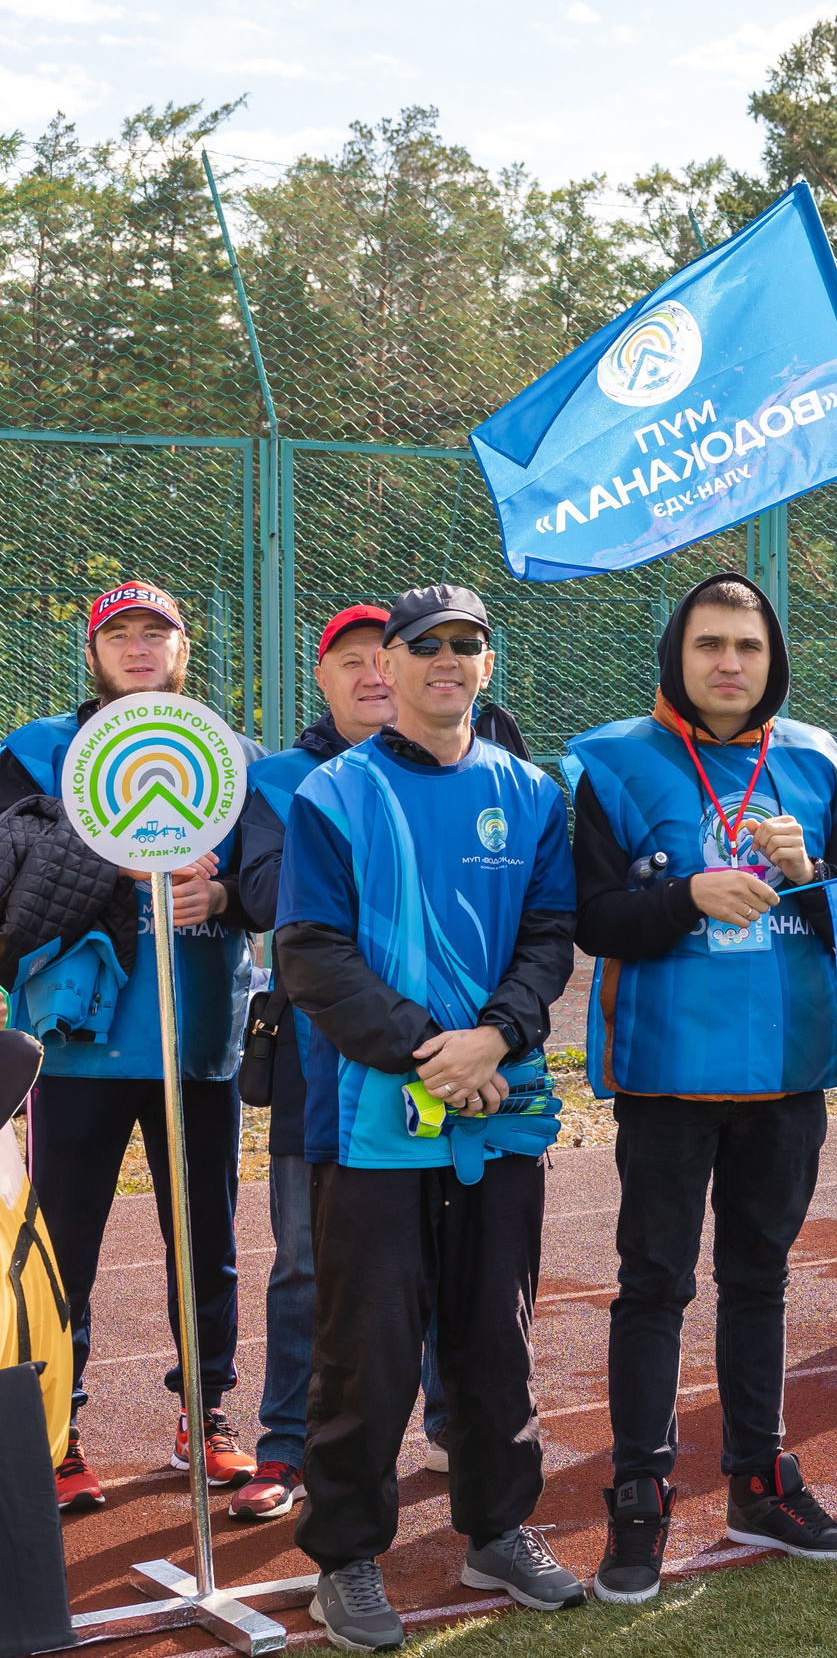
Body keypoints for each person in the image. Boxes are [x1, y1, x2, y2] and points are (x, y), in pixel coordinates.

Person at [278, 585, 584, 1647]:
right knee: (365, 1346)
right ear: (389, 669)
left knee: (495, 1336)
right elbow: (310, 952)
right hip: (370, 1119)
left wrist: (495, 1038)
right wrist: (431, 1053)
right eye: (425, 646)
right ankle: (348, 1558)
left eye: (467, 645)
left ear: (486, 666)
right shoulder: (333, 792)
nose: (446, 661)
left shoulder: (532, 792)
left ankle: (498, 1530)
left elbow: (551, 935)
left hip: (499, 1107)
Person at [567, 574, 837, 1602]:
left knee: (760, 1281)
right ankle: (640, 1493)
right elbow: (595, 920)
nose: (729, 663)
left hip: (789, 1072)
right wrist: (684, 896)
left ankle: (758, 1476)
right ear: (677, 654)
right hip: (664, 1072)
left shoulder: (819, 759)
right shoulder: (612, 762)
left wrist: (811, 880)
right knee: (654, 1285)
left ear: (772, 656)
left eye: (746, 644)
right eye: (708, 644)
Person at [3, 582, 259, 1513]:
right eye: (122, 632)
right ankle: (56, 1428)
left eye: (160, 631)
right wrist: (92, 854)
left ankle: (208, 1412)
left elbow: (274, 885)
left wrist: (223, 897)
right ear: (93, 648)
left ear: (186, 647)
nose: (141, 646)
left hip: (200, 1043)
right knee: (60, 1242)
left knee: (207, 1239)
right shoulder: (37, 753)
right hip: (74, 1044)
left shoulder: (234, 759)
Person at [226, 606, 399, 1522]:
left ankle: (452, 1420)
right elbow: (258, 895)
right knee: (303, 1260)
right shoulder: (283, 779)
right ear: (323, 679)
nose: (374, 675)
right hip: (315, 1056)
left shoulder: (449, 769)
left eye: (388, 658)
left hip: (432, 1052)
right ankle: (284, 1446)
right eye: (352, 662)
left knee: (441, 1244)